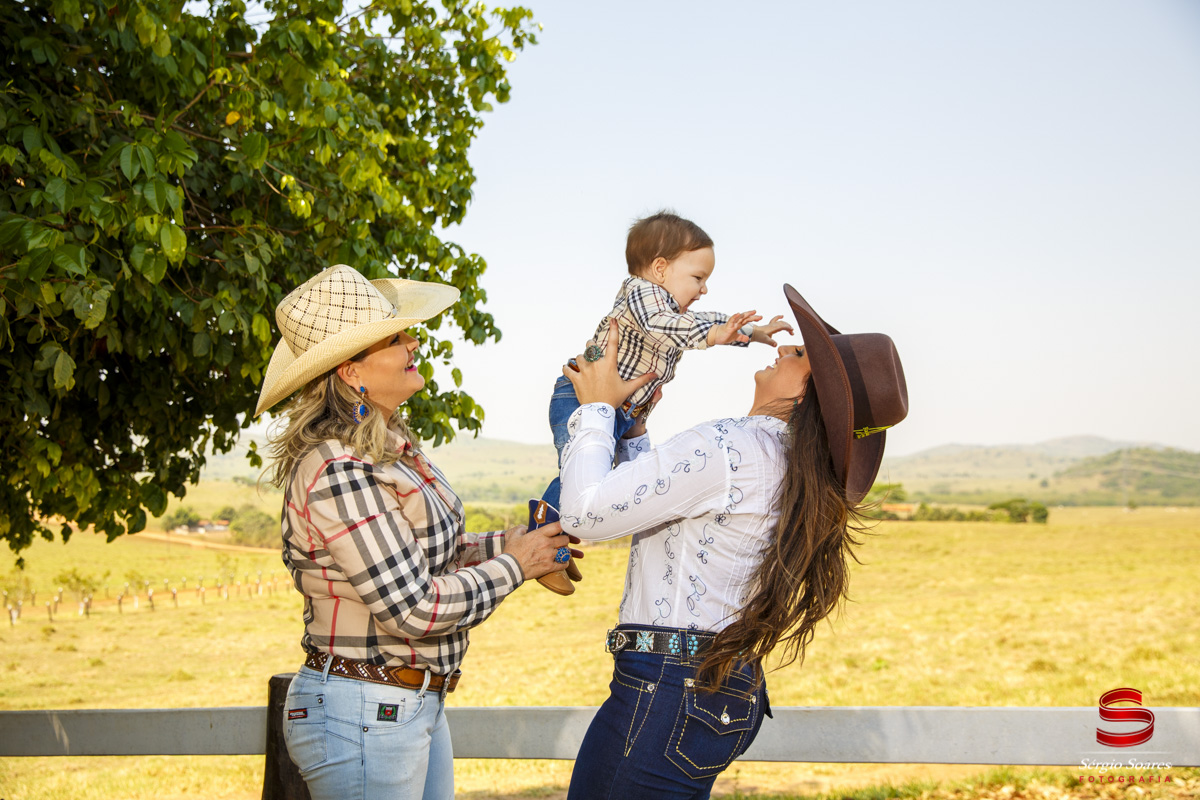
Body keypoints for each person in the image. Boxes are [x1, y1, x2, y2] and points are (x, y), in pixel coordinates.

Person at [556, 285, 909, 799]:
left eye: (801, 354)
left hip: (665, 686)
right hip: (720, 685)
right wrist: (630, 430)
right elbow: (649, 505)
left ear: (807, 393)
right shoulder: (790, 467)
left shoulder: (732, 445)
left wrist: (594, 409)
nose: (785, 348)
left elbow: (587, 513)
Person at [254, 265, 577, 800]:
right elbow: (414, 609)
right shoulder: (339, 470)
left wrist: (524, 545)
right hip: (364, 712)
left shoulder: (387, 450)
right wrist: (517, 565)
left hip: (401, 707)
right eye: (395, 337)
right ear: (350, 371)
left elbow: (431, 556)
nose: (415, 341)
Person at [533, 211, 794, 596]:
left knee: (611, 485)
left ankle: (552, 543)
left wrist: (752, 332)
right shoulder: (643, 296)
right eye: (698, 277)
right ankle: (544, 543)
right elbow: (665, 326)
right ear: (659, 268)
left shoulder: (672, 310)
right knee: (582, 479)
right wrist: (715, 335)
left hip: (617, 412)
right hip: (581, 398)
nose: (704, 289)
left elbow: (709, 319)